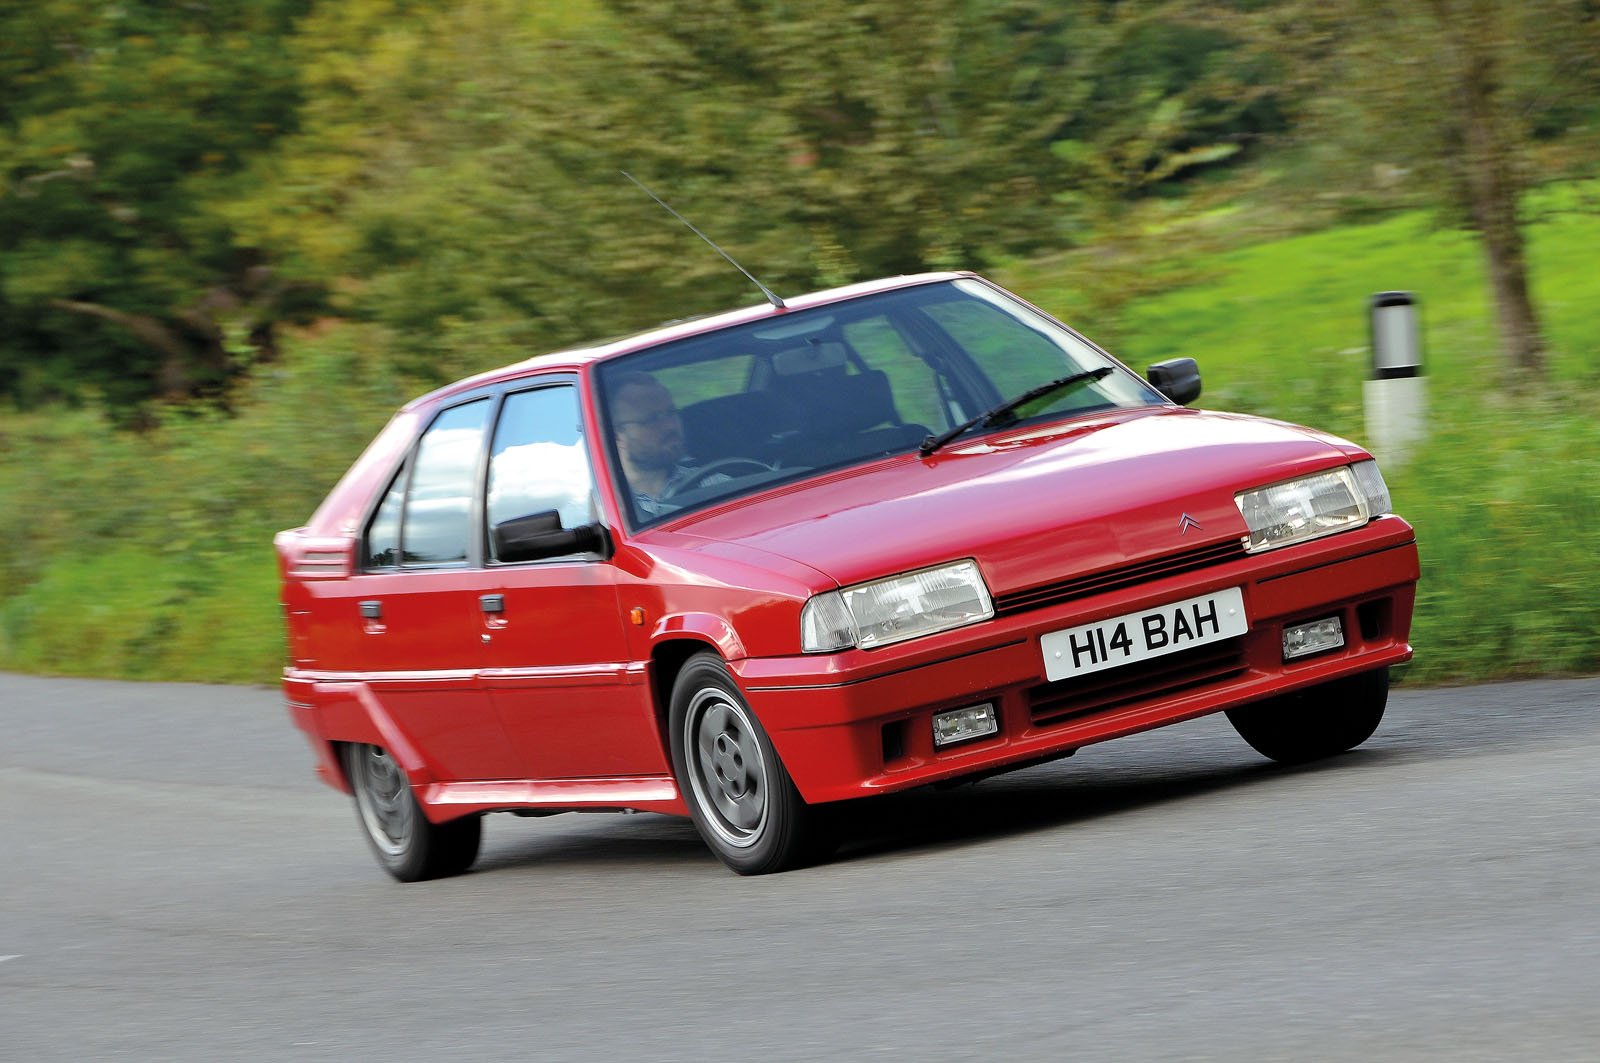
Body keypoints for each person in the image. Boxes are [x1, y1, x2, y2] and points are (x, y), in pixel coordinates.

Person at [610, 370, 725, 519]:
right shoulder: (609, 512)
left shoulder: (715, 485)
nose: (670, 425)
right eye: (652, 419)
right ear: (617, 436)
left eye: (671, 412)